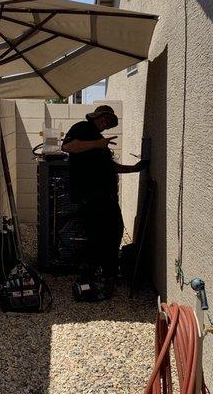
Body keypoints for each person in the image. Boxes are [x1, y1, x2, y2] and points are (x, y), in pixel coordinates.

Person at [62, 105, 148, 297]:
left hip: (106, 197)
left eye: (109, 121)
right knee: (98, 237)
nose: (106, 123)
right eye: (104, 119)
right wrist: (97, 144)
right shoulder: (82, 128)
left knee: (112, 233)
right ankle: (92, 279)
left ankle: (105, 276)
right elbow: (67, 147)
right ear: (96, 117)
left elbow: (110, 168)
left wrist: (134, 169)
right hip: (91, 198)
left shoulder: (100, 142)